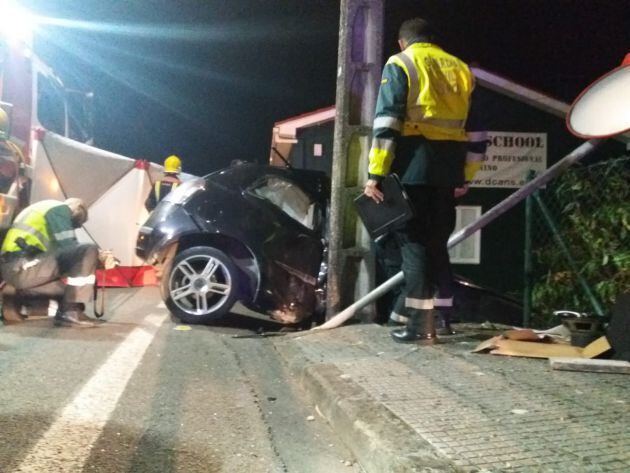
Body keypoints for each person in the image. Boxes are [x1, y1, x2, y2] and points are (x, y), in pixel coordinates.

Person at [364, 17, 480, 343]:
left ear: (403, 42)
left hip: (412, 168)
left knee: (413, 247)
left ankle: (418, 325)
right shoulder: (461, 69)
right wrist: (465, 177)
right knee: (436, 246)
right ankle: (437, 317)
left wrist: (376, 174)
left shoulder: (401, 63)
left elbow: (387, 122)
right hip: (448, 171)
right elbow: (476, 132)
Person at [0, 198, 108, 327]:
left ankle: (13, 298)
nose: (72, 227)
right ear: (76, 212)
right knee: (88, 249)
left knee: (67, 293)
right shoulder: (60, 209)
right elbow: (71, 248)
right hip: (21, 266)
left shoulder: (44, 212)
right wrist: (98, 257)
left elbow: (61, 259)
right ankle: (70, 313)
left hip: (17, 267)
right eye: (74, 224)